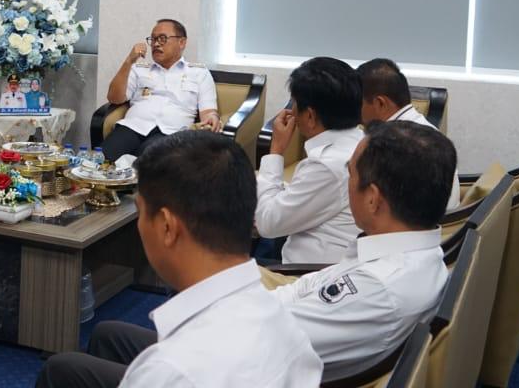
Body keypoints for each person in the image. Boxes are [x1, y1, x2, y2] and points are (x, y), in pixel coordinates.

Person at [35, 131, 322, 388]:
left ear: (166, 227)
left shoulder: (170, 371)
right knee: (106, 337)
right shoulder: (288, 326)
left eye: (141, 212)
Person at [272, 121, 455, 381]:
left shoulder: (378, 287)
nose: (348, 183)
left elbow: (259, 339)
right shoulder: (418, 250)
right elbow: (317, 283)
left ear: (372, 199)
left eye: (351, 174)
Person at [256, 57, 364, 264]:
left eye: (294, 103)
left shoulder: (327, 165)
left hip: (306, 272)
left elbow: (267, 224)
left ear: (310, 116)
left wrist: (276, 150)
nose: (292, 111)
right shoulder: (361, 142)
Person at [102, 19, 220, 163]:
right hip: (132, 127)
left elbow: (208, 112)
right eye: (153, 39)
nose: (156, 44)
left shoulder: (199, 73)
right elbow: (114, 98)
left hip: (172, 133)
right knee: (101, 160)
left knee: (147, 163)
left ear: (182, 42)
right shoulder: (139, 69)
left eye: (162, 38)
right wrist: (129, 61)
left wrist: (212, 118)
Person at [357, 57, 459, 210]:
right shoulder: (425, 132)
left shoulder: (398, 145)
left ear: (380, 103)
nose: (354, 110)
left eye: (358, 103)